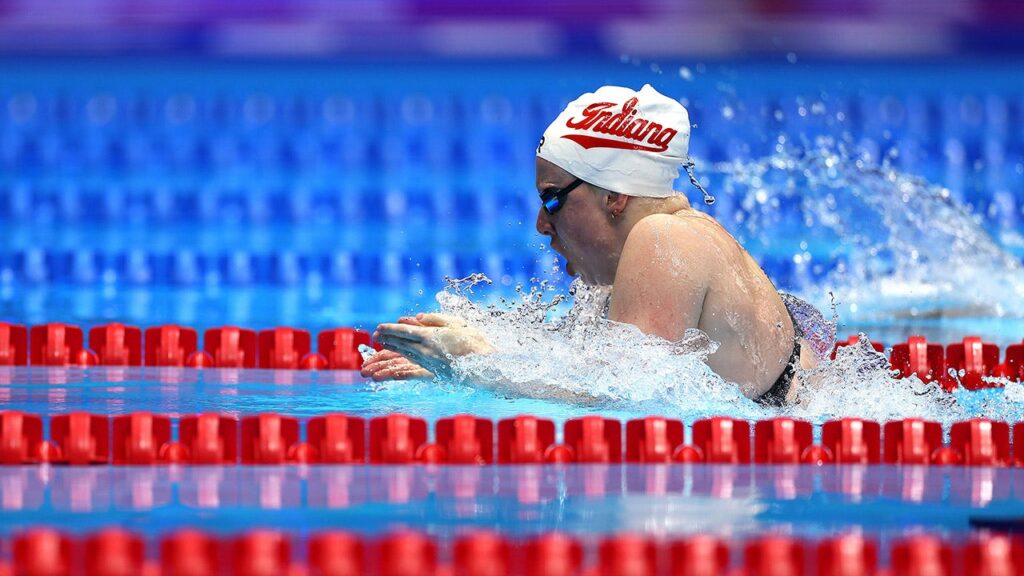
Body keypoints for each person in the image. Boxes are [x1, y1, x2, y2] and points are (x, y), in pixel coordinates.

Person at [363, 84, 830, 405]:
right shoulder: (674, 240)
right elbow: (592, 367)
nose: (542, 225)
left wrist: (476, 357)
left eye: (552, 199)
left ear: (615, 196)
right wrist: (459, 368)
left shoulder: (663, 238)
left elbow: (623, 393)